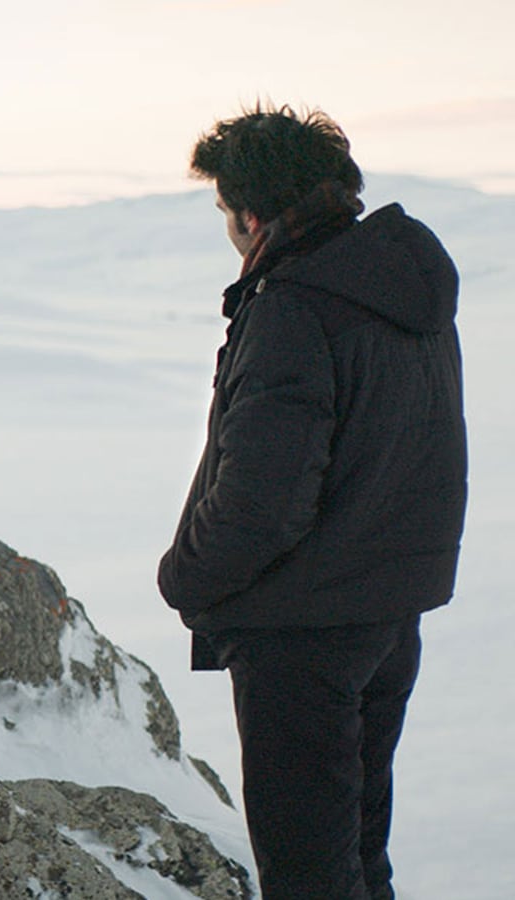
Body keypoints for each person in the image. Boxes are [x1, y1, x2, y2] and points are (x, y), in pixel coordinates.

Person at [158, 104, 467, 900]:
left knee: (307, 876)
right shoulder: (401, 289)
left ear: (252, 214)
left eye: (226, 213)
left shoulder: (295, 307)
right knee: (358, 856)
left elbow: (260, 502)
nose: (228, 231)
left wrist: (183, 581)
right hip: (387, 619)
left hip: (301, 638)